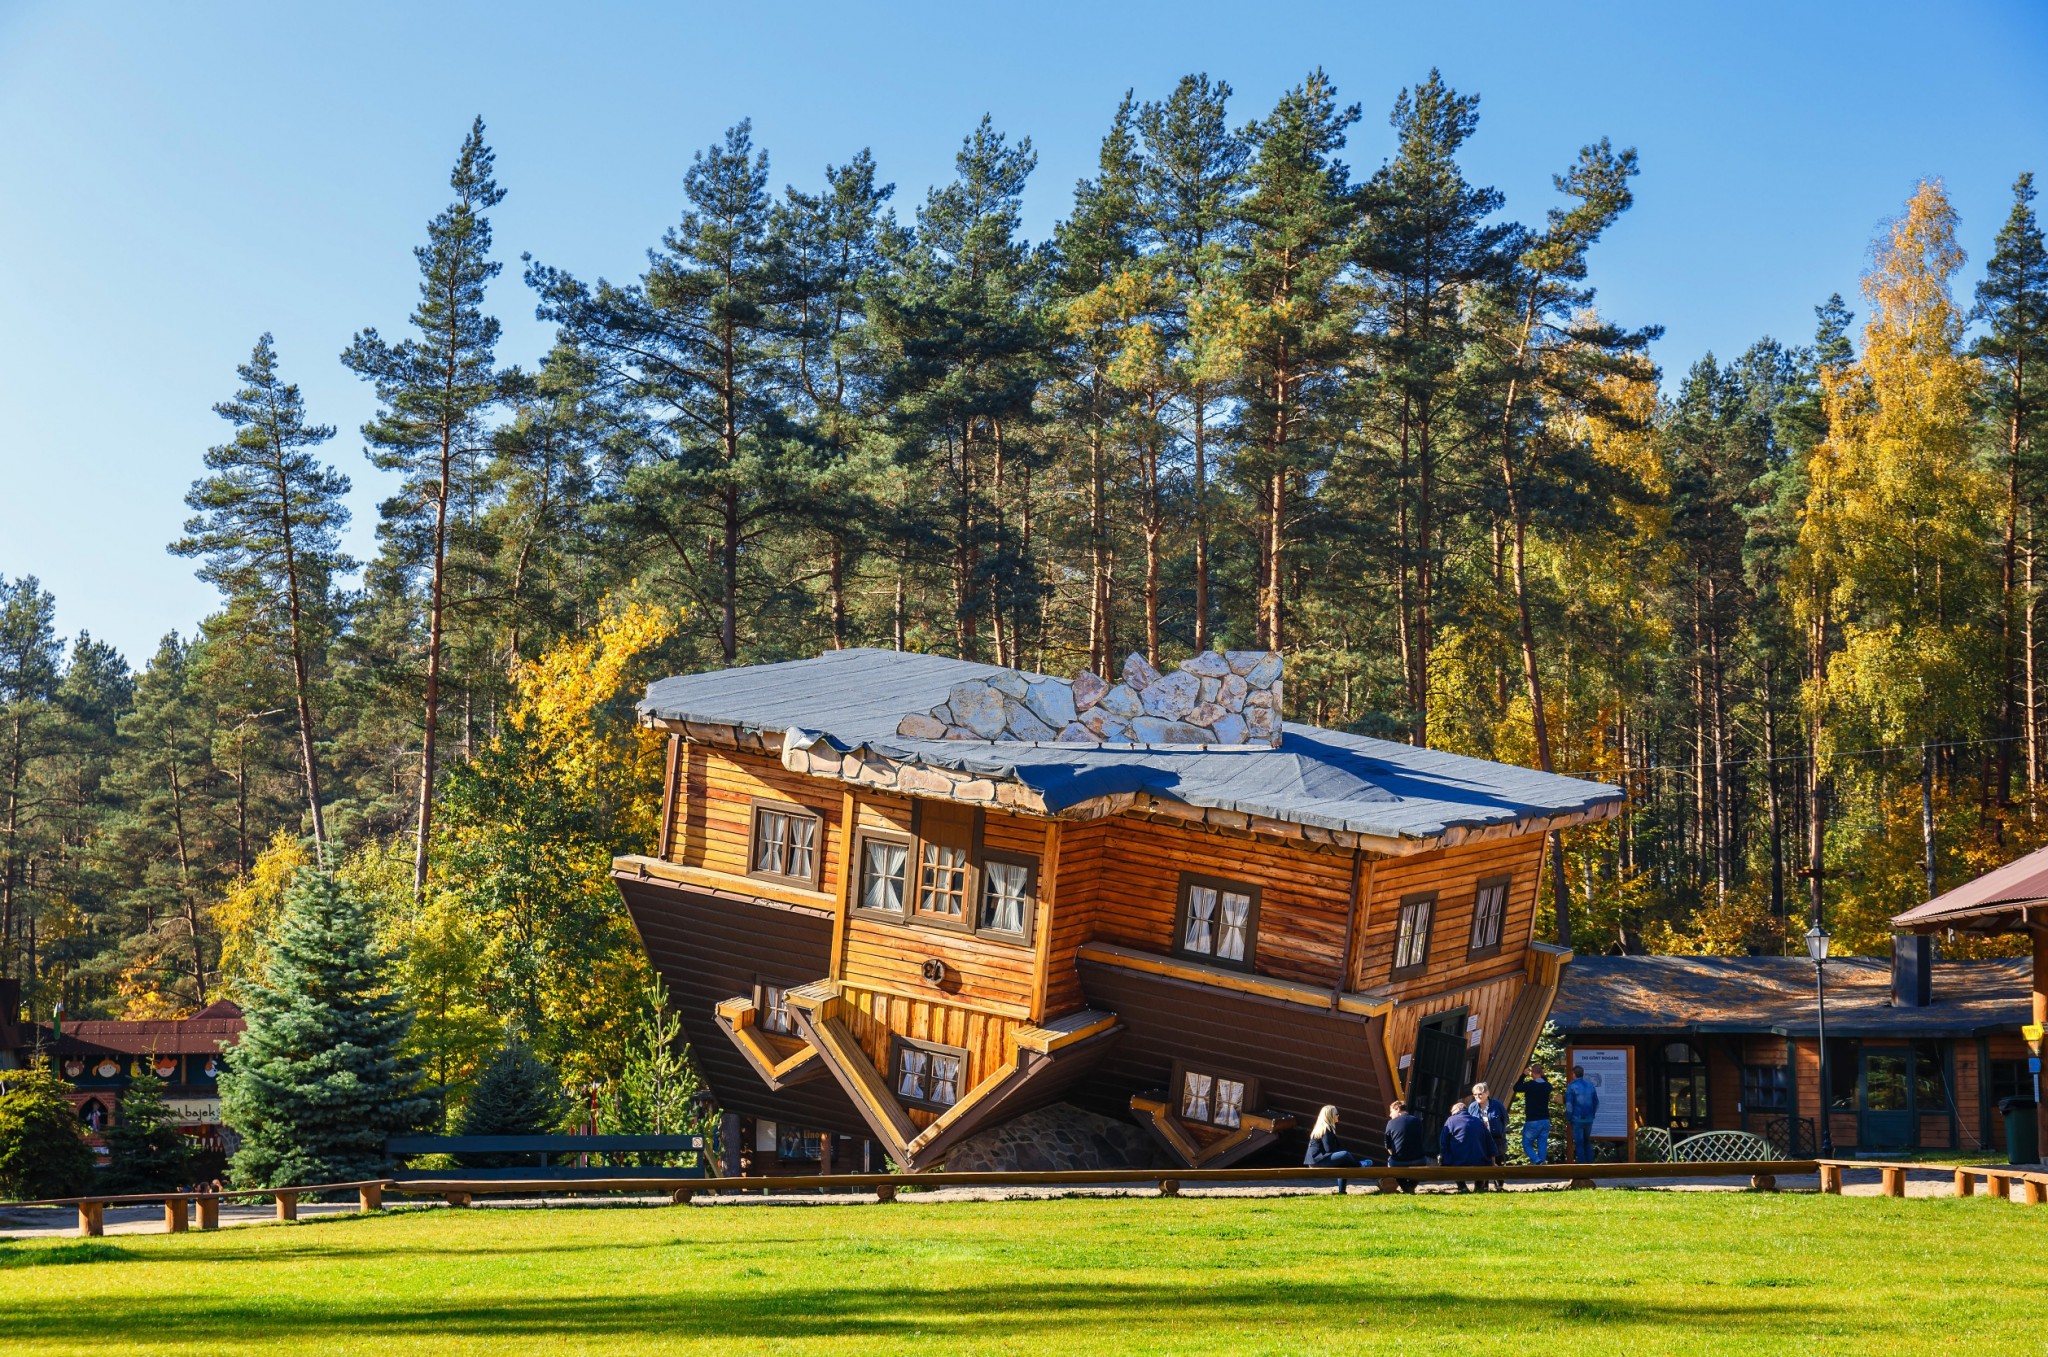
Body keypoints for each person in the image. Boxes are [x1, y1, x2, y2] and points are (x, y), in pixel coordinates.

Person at [1438, 1099, 1493, 1192]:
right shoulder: (1478, 1121)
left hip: (1458, 1162)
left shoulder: (1450, 1121)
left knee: (1452, 1160)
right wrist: (1492, 1160)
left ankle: (1462, 1186)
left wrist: (1444, 1158)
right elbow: (1489, 1141)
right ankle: (1479, 1186)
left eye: (1452, 1111)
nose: (1451, 1114)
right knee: (1480, 1164)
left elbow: (1443, 1142)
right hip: (1479, 1161)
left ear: (1457, 1110)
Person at [1303, 1105, 1367, 1170]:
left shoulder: (1321, 1128)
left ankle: (1357, 1165)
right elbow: (1329, 1149)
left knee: (1343, 1158)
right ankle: (1359, 1165)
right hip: (1318, 1161)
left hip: (1314, 1162)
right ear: (1330, 1116)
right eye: (1336, 1114)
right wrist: (1340, 1153)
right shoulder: (1326, 1128)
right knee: (1345, 1154)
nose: (1338, 1116)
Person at [1514, 1065, 1554, 1166]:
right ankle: (1542, 1164)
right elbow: (1545, 1082)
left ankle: (1537, 1161)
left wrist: (1523, 1075)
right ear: (1541, 1073)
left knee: (1526, 1143)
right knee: (1542, 1143)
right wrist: (1542, 1075)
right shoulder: (1547, 1086)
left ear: (1532, 1073)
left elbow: (1516, 1088)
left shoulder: (1529, 1085)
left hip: (1533, 1120)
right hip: (1545, 1119)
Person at [1383, 1099, 1426, 1193]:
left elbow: (1388, 1145)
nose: (1390, 1115)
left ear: (1397, 1109)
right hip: (1418, 1160)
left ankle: (1405, 1187)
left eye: (1391, 1111)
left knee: (1390, 1162)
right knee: (1423, 1162)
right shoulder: (1417, 1121)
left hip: (1399, 1161)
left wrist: (1394, 1154)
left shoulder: (1391, 1123)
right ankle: (1411, 1186)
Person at [1470, 1081, 1508, 1186]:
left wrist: (1498, 1130)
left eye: (1480, 1094)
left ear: (1487, 1093)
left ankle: (1499, 1186)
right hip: (1480, 1140)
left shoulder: (1497, 1105)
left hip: (1496, 1138)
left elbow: (1505, 1119)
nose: (1477, 1097)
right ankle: (1482, 1186)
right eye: (1475, 1094)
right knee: (1481, 1162)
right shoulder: (1472, 1107)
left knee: (1498, 1162)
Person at [1565, 1063, 1601, 1165]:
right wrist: (1592, 1114)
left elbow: (1569, 1105)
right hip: (1589, 1119)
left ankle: (1582, 1165)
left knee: (1579, 1143)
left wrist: (1569, 1118)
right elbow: (1597, 1103)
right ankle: (1590, 1164)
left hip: (1577, 1119)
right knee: (1587, 1142)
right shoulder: (1590, 1086)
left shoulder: (1571, 1086)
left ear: (1574, 1074)